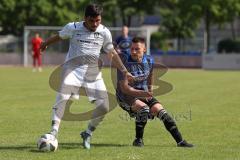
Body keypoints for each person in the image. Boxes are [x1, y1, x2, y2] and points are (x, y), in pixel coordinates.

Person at [39, 3, 132, 150]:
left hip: (92, 72)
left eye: (98, 21)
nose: (95, 24)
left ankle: (87, 133)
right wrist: (45, 43)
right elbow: (60, 36)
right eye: (91, 21)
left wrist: (124, 71)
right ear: (85, 18)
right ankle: (53, 132)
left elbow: (112, 53)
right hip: (72, 69)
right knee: (62, 97)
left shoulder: (104, 32)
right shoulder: (73, 27)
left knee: (104, 106)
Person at [116, 37, 194, 147]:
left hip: (143, 92)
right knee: (144, 109)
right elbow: (125, 89)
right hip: (125, 96)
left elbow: (151, 74)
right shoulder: (124, 63)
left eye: (137, 49)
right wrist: (143, 94)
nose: (133, 51)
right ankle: (138, 140)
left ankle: (181, 142)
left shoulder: (149, 60)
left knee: (161, 112)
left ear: (144, 49)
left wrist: (150, 90)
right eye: (132, 49)